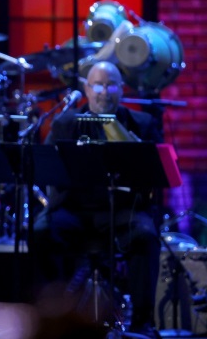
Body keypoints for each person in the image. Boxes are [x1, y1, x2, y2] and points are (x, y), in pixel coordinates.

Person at [32, 61, 164, 338]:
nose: (104, 92)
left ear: (122, 89)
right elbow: (47, 169)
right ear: (86, 89)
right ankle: (54, 313)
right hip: (74, 209)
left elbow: (156, 175)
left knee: (146, 236)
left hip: (123, 211)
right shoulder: (65, 123)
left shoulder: (142, 123)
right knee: (41, 231)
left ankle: (142, 324)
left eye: (111, 85)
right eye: (98, 85)